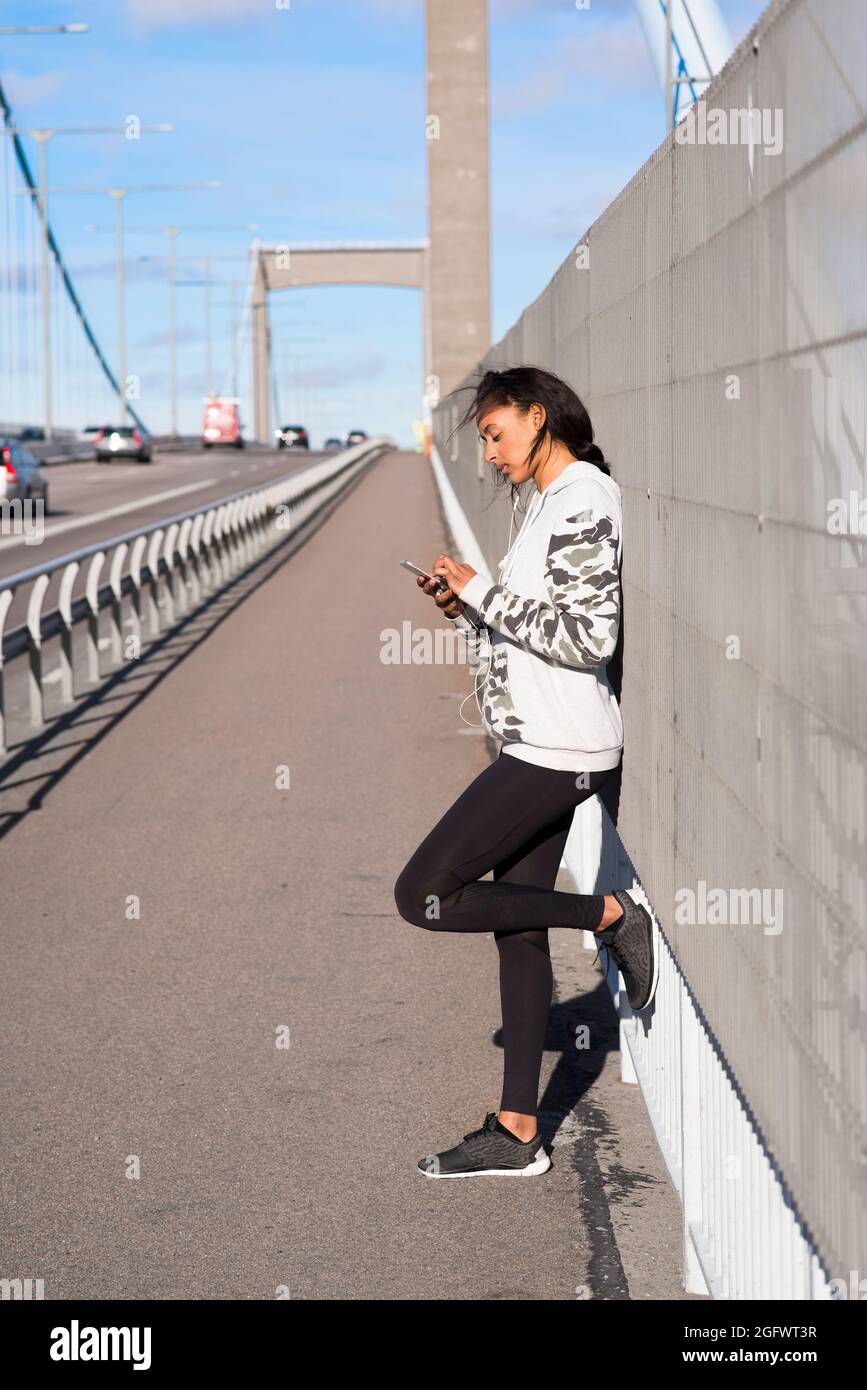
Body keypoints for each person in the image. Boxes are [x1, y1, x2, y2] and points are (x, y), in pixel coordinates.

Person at [393, 365, 657, 1180]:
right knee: (514, 925)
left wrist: (486, 593)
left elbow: (585, 638)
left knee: (426, 893)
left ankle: (609, 915)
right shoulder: (543, 501)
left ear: (538, 418)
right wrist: (469, 603)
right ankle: (516, 1131)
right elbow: (529, 630)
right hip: (535, 740)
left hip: (561, 747)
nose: (490, 455)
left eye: (496, 434)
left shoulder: (583, 500)